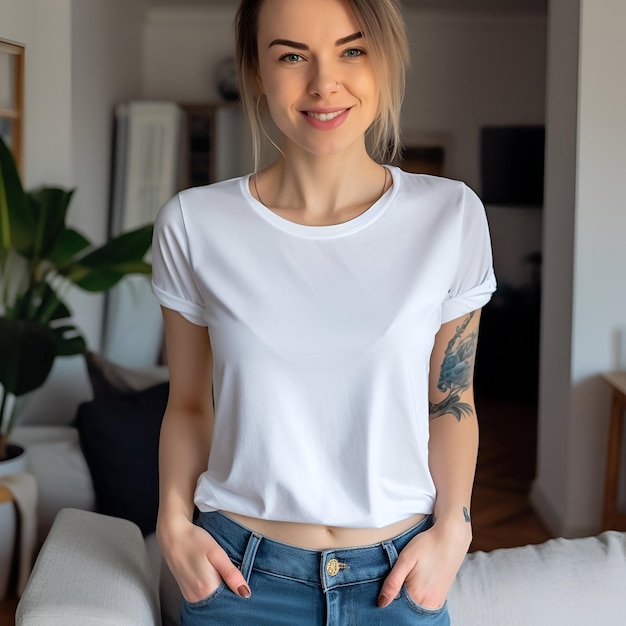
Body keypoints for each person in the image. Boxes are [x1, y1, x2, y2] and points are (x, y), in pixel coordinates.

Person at [151, 0, 496, 623]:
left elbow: (451, 400)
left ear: (385, 60)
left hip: (399, 578)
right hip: (239, 579)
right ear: (256, 71)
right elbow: (189, 404)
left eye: (352, 50)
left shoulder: (452, 216)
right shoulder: (194, 224)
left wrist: (455, 529)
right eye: (291, 56)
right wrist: (171, 525)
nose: (323, 83)